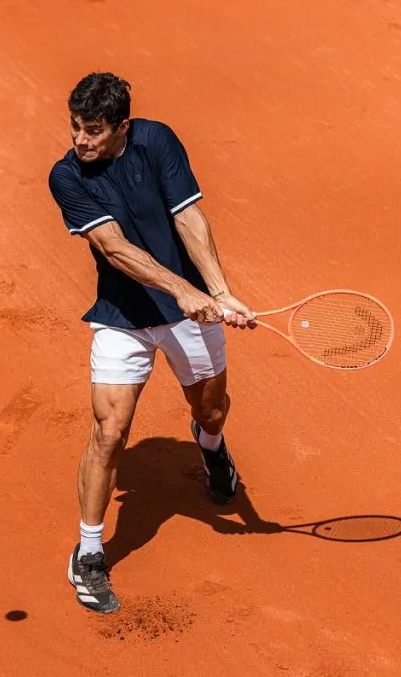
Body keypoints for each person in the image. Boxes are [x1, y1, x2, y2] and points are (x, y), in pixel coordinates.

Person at [47, 72, 257, 614]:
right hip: (123, 316)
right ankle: (89, 551)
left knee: (211, 411)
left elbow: (187, 216)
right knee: (109, 430)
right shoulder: (66, 176)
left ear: (122, 126)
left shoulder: (157, 140)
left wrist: (219, 291)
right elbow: (114, 249)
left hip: (191, 308)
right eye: (75, 126)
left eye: (93, 130)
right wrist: (183, 290)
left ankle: (211, 447)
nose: (80, 140)